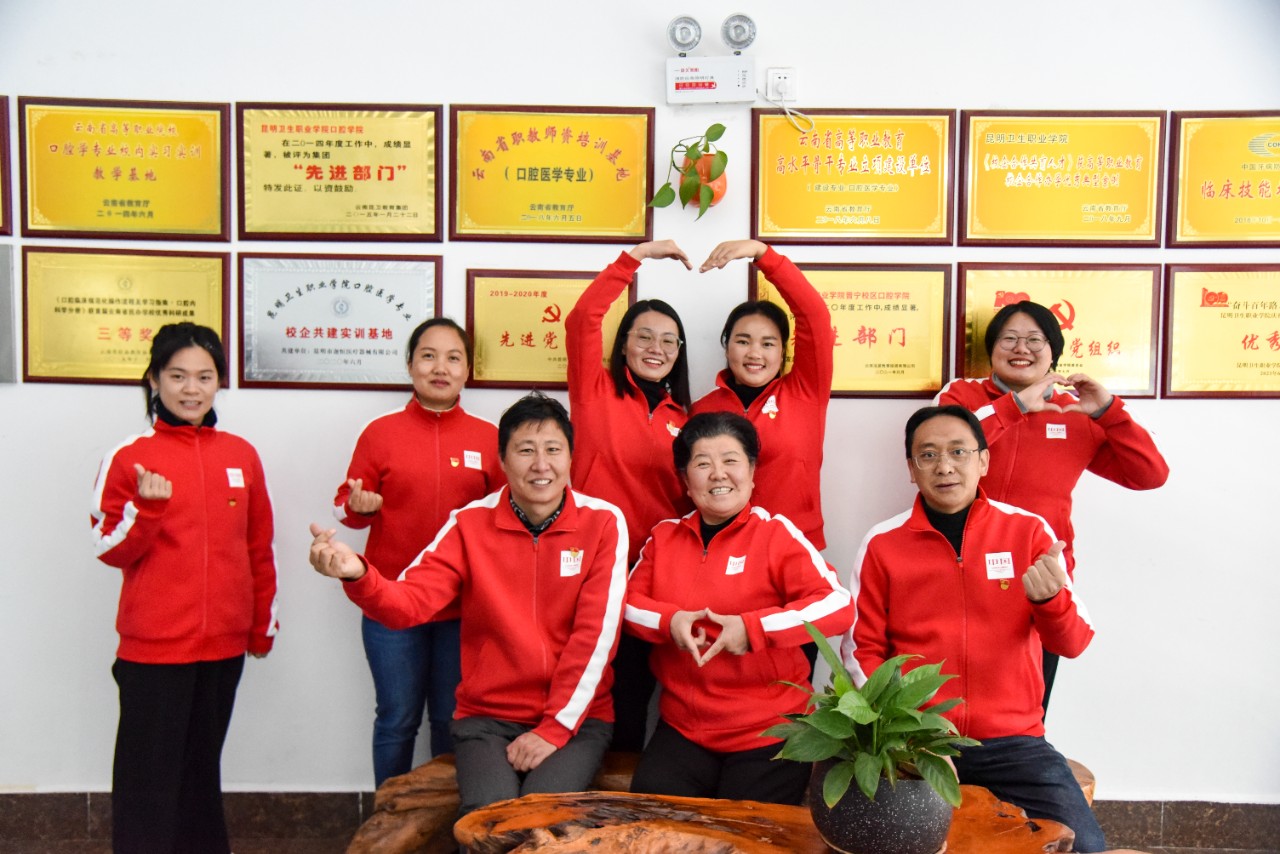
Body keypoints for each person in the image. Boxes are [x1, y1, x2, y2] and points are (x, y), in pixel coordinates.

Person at [309, 393, 626, 816]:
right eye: (525, 451)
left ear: (571, 457)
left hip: (577, 718)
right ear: (503, 460)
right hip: (487, 716)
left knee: (541, 814)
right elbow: (409, 603)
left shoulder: (604, 521)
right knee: (485, 818)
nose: (541, 464)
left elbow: (595, 637)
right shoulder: (469, 522)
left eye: (553, 450)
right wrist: (358, 574)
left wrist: (554, 728)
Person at [842, 405, 1105, 852]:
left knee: (1085, 847)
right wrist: (907, 734)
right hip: (920, 740)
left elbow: (1075, 641)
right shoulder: (883, 543)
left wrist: (1050, 601)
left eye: (958, 452)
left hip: (1015, 743)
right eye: (928, 455)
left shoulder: (1028, 531)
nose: (944, 466)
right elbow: (860, 650)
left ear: (983, 460)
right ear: (911, 469)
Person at [90, 323, 279, 854]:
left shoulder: (241, 455)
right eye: (177, 376)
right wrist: (147, 510)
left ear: (219, 381)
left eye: (204, 376)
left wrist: (261, 625)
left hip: (223, 647)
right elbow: (108, 547)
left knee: (201, 775)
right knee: (147, 781)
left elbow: (258, 547)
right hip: (154, 650)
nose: (191, 389)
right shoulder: (129, 456)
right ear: (154, 380)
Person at [937, 300, 1168, 709]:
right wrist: (1016, 406)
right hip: (960, 564)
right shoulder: (962, 395)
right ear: (991, 349)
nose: (1020, 348)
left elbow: (1149, 474)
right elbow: (948, 448)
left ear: (1053, 352)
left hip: (1040, 574)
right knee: (950, 697)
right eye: (1009, 338)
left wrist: (1108, 412)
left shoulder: (1074, 412)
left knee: (1029, 701)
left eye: (1034, 340)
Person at [623, 412, 854, 804]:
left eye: (731, 460)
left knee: (748, 832)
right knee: (651, 823)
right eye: (702, 463)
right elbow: (624, 605)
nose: (718, 474)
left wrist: (752, 630)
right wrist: (669, 622)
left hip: (770, 731)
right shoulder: (663, 538)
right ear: (685, 480)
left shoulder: (777, 534)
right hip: (683, 729)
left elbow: (837, 605)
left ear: (751, 471)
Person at [332, 317, 503, 787]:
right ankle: (388, 817)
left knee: (451, 719)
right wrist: (360, 507)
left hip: (462, 608)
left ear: (468, 369)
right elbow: (345, 507)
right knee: (397, 718)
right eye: (428, 356)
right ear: (410, 365)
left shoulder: (489, 437)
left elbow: (506, 517)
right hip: (391, 603)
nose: (440, 368)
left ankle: (440, 819)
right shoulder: (380, 432)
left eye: (453, 358)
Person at [567, 239, 695, 751]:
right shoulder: (593, 391)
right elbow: (582, 320)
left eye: (668, 340)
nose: (655, 348)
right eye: (644, 336)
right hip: (588, 565)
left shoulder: (686, 420)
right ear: (623, 345)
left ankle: (623, 780)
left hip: (650, 576)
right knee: (583, 680)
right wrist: (635, 258)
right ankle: (571, 777)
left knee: (638, 687)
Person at [690, 239, 834, 552]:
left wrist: (762, 254)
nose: (755, 353)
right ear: (726, 346)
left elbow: (815, 318)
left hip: (795, 545)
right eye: (743, 341)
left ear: (783, 352)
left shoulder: (805, 391)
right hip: (722, 547)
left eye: (768, 344)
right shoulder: (702, 410)